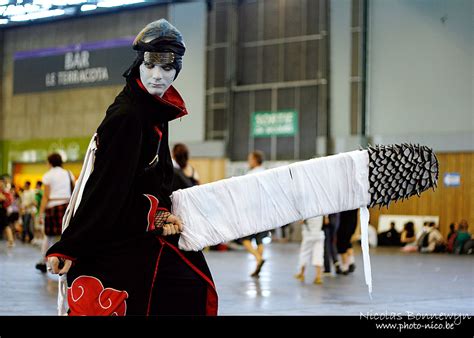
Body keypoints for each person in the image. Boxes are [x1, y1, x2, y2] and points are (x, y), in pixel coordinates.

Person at [46, 19, 217, 316]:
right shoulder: (128, 116)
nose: (158, 76)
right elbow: (104, 187)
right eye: (150, 65)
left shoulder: (154, 109)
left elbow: (158, 176)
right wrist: (70, 246)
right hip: (117, 235)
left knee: (191, 287)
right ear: (139, 63)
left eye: (167, 68)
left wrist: (162, 210)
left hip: (139, 231)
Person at [36, 153, 75, 273]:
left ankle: (44, 261)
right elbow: (74, 191)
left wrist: (40, 213)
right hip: (67, 207)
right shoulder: (69, 174)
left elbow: (46, 196)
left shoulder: (48, 176)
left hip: (52, 207)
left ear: (50, 162)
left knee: (48, 236)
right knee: (66, 234)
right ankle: (68, 259)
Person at [240, 150, 269, 277]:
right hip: (264, 211)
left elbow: (245, 194)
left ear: (255, 160)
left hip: (251, 212)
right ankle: (258, 266)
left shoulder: (250, 174)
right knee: (260, 240)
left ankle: (258, 258)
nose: (248, 161)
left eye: (250, 159)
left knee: (245, 239)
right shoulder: (267, 173)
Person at [294, 216, 325, 284]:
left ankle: (301, 274)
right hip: (319, 235)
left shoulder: (307, 211)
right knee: (318, 255)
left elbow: (301, 221)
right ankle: (318, 277)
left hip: (308, 235)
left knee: (304, 254)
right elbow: (326, 221)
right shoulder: (322, 209)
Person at [0, 177, 13, 248]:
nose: (0, 183)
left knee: (6, 225)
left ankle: (11, 241)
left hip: (2, 210)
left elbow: (9, 201)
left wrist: (3, 198)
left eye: (2, 182)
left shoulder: (6, 191)